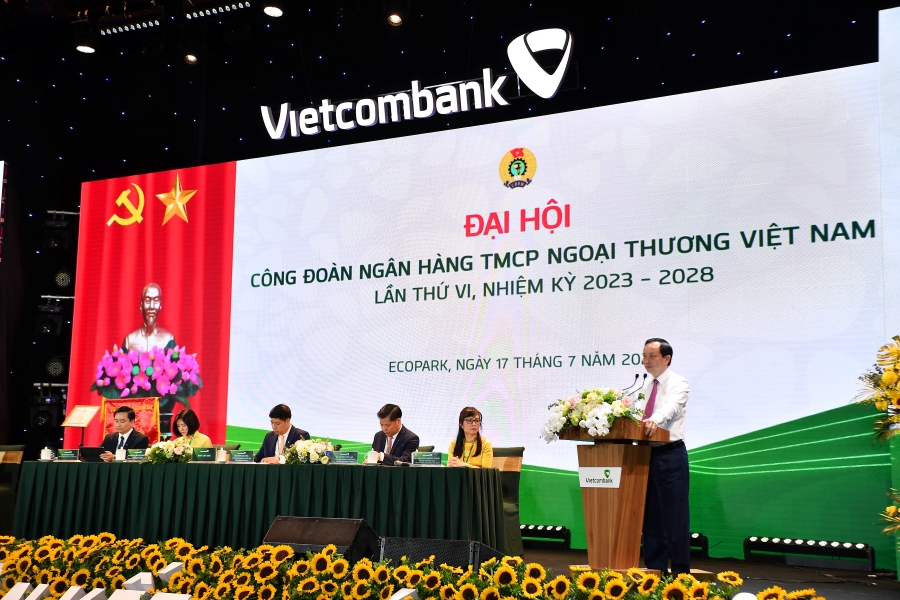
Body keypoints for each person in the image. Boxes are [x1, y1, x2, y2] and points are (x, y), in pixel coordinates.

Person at [638, 338, 690, 576]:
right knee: (651, 518)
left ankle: (681, 573)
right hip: (643, 455)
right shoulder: (645, 384)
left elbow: (671, 408)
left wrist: (654, 421)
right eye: (644, 356)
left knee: (675, 517)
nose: (646, 361)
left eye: (652, 356)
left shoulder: (679, 383)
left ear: (667, 358)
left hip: (670, 455)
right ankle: (655, 572)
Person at [123, 283, 175, 352]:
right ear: (141, 306)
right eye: (147, 301)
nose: (152, 306)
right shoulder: (129, 339)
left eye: (156, 301)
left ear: (160, 306)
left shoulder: (168, 338)